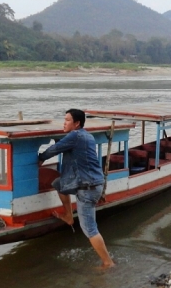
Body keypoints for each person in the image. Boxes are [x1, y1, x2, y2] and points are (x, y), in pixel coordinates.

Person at [38, 109, 115, 268]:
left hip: (87, 188)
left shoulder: (75, 136)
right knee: (58, 184)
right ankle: (68, 215)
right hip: (92, 183)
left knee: (89, 229)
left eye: (67, 120)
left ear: (77, 123)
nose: (63, 123)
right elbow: (64, 142)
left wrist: (40, 159)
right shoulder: (87, 136)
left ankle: (108, 263)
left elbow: (54, 149)